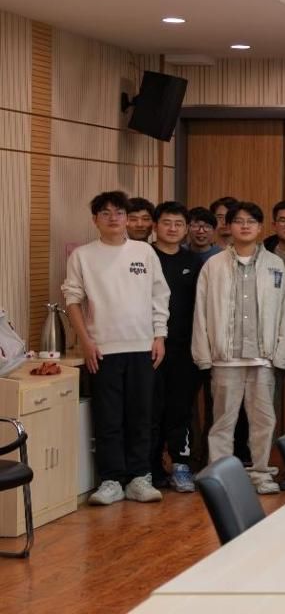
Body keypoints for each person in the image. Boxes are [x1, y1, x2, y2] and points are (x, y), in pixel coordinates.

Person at [64, 191, 170, 506]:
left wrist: (160, 335)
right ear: (95, 220)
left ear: (127, 218)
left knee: (141, 415)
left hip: (143, 346)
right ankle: (110, 480)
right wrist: (86, 341)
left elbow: (159, 295)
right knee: (107, 417)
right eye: (106, 213)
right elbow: (72, 300)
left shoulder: (144, 252)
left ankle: (139, 478)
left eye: (119, 213)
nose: (113, 218)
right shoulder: (82, 255)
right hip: (102, 349)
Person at [191, 201, 285, 495]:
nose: (245, 226)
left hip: (262, 359)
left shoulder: (275, 265)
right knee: (222, 423)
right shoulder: (213, 265)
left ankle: (261, 473)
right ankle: (220, 476)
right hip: (225, 359)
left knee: (264, 421)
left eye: (251, 221)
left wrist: (281, 354)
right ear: (229, 226)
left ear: (260, 227)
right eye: (239, 221)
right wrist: (203, 355)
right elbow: (200, 312)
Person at [149, 201, 199, 493]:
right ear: (155, 225)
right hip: (150, 347)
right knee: (151, 409)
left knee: (180, 409)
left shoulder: (195, 262)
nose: (172, 228)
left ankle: (181, 465)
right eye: (166, 222)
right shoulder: (145, 257)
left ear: (186, 228)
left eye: (179, 224)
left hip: (185, 348)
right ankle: (152, 468)